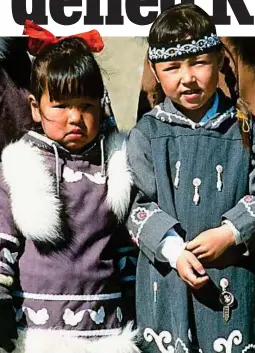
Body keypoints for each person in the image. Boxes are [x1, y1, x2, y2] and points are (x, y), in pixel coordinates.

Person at [126, 4, 255, 353]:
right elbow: (134, 203)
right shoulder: (146, 134)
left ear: (220, 60)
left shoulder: (248, 130)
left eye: (199, 63)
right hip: (167, 285)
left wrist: (231, 232)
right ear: (155, 70)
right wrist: (174, 250)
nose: (187, 77)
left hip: (237, 281)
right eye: (173, 67)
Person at [0, 21, 139, 353]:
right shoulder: (21, 168)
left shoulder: (116, 167)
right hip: (37, 331)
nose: (75, 117)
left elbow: (125, 248)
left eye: (86, 106)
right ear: (36, 107)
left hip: (106, 328)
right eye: (60, 106)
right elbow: (3, 239)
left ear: (100, 105)